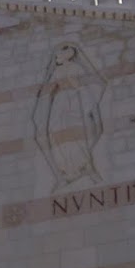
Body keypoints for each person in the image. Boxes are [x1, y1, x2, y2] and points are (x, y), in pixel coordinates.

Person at [31, 43, 108, 190]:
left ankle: (83, 166)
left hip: (74, 101)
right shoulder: (57, 71)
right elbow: (48, 90)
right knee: (56, 132)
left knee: (77, 133)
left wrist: (75, 85)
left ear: (66, 56)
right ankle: (66, 170)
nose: (56, 58)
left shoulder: (75, 67)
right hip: (59, 104)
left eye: (58, 55)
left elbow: (87, 84)